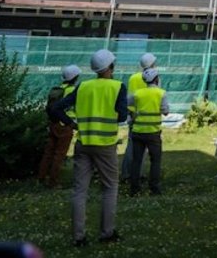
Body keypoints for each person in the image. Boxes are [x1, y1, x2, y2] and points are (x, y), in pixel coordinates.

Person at [53, 48, 129, 247]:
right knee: (110, 188)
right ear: (111, 67)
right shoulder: (118, 86)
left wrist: (71, 124)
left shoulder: (83, 87)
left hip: (83, 143)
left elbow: (56, 108)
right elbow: (121, 116)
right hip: (105, 145)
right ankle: (107, 233)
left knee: (80, 191)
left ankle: (79, 237)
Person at [127, 67, 169, 196]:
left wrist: (133, 114)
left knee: (137, 161)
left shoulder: (137, 93)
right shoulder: (161, 93)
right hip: (153, 132)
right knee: (155, 161)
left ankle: (134, 189)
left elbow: (127, 104)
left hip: (138, 131)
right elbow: (166, 112)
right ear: (156, 79)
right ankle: (154, 188)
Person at [38, 64, 81, 187]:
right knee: (59, 154)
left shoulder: (58, 89)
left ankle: (41, 178)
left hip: (54, 124)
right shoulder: (72, 91)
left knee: (49, 152)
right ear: (75, 77)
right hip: (65, 125)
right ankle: (53, 181)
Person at [121, 52, 156, 173]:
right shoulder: (155, 77)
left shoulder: (133, 77)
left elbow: (130, 98)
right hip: (149, 119)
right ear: (152, 64)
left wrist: (131, 114)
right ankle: (138, 174)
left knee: (131, 147)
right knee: (143, 149)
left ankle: (127, 173)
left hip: (134, 116)